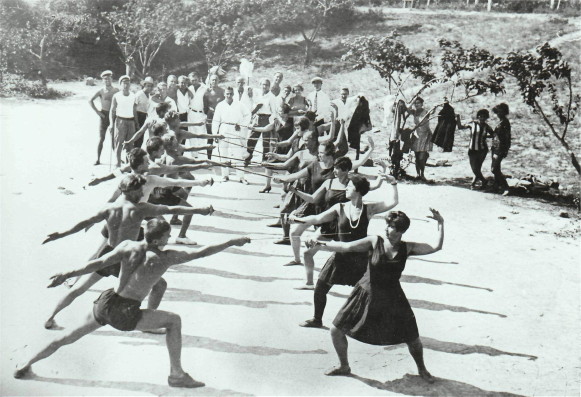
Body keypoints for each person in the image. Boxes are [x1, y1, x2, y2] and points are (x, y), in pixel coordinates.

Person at [15, 218, 251, 389]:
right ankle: (176, 374)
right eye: (167, 236)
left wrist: (67, 274)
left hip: (106, 302)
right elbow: (202, 252)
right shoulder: (164, 257)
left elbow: (96, 263)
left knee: (68, 337)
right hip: (124, 312)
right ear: (158, 238)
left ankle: (27, 363)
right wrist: (232, 241)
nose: (169, 238)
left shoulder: (127, 246)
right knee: (174, 321)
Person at [42, 174, 214, 330]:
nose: (142, 192)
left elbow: (84, 223)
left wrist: (60, 234)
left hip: (107, 252)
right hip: (125, 257)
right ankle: (149, 324)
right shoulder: (140, 209)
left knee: (80, 288)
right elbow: (172, 210)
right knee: (159, 285)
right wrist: (199, 210)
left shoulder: (109, 208)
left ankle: (50, 317)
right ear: (131, 191)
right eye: (139, 189)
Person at [307, 209, 444, 383]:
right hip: (366, 291)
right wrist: (320, 245)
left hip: (393, 296)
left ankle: (422, 369)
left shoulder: (407, 247)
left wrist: (441, 223)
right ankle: (344, 366)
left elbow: (436, 247)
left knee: (413, 338)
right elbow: (346, 246)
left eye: (392, 227)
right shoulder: (374, 241)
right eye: (387, 224)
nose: (387, 229)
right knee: (336, 330)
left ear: (401, 231)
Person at [290, 161, 394, 290]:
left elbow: (381, 190)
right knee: (308, 253)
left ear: (346, 171)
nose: (334, 171)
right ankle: (310, 282)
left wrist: (388, 176)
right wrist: (298, 220)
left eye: (337, 168)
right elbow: (316, 214)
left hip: (347, 231)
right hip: (331, 225)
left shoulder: (356, 184)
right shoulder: (330, 184)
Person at [273, 137, 374, 264]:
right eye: (318, 152)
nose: (318, 155)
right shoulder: (314, 165)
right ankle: (297, 259)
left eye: (321, 153)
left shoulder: (338, 167)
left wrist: (371, 149)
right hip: (312, 203)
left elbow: (359, 162)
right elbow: (296, 175)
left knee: (329, 237)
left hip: (328, 207)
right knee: (294, 231)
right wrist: (282, 179)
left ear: (330, 154)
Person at [213, 86, 247, 183]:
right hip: (223, 129)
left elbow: (247, 115)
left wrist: (240, 124)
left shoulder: (239, 105)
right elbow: (216, 120)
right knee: (223, 154)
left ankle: (241, 177)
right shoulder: (220, 105)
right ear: (224, 94)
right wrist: (215, 134)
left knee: (238, 154)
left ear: (233, 94)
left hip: (235, 130)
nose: (229, 95)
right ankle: (225, 175)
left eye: (231, 93)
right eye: (227, 93)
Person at [457, 109, 494, 189]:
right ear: (478, 116)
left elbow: (493, 134)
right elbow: (460, 127)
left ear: (486, 118)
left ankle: (473, 184)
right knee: (474, 168)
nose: (482, 118)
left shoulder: (487, 127)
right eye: (481, 116)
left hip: (482, 150)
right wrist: (458, 118)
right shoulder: (472, 124)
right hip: (472, 149)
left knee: (477, 168)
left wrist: (485, 137)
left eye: (484, 117)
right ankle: (484, 181)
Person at [245, 78, 278, 167]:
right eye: (263, 84)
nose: (264, 86)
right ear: (260, 85)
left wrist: (271, 123)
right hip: (257, 118)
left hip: (266, 119)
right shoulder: (258, 94)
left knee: (265, 142)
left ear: (269, 86)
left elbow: (274, 111)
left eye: (266, 85)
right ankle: (247, 158)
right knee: (251, 139)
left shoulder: (272, 97)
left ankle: (264, 160)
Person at [89, 70, 119, 165]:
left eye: (109, 78)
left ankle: (117, 159)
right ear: (102, 80)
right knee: (101, 138)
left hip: (113, 115)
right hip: (104, 115)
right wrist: (98, 112)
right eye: (105, 79)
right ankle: (98, 159)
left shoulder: (116, 90)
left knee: (114, 138)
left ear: (112, 79)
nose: (107, 80)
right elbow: (90, 101)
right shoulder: (101, 91)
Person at [108, 75, 137, 168]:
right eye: (124, 83)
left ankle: (129, 165)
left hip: (131, 121)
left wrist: (136, 123)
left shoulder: (133, 96)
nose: (126, 85)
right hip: (120, 121)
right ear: (120, 84)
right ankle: (118, 163)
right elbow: (112, 111)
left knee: (130, 144)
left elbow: (134, 110)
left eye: (128, 83)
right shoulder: (116, 96)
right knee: (119, 143)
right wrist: (111, 124)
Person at [407, 97, 433, 181]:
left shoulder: (426, 112)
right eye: (415, 103)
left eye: (418, 103)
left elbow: (434, 111)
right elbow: (407, 108)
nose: (417, 104)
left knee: (422, 156)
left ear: (422, 104)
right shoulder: (414, 112)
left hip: (425, 136)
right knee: (417, 157)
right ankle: (418, 174)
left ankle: (422, 173)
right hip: (416, 136)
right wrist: (412, 100)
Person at [490, 103, 511, 196]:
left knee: (494, 169)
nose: (498, 114)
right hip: (495, 147)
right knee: (496, 168)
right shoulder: (500, 122)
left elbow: (507, 137)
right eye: (497, 112)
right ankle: (496, 186)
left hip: (500, 148)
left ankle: (506, 187)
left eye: (499, 112)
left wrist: (505, 149)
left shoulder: (505, 123)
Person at [203, 74, 225, 159]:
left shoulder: (223, 91)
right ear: (210, 81)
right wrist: (209, 113)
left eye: (216, 80)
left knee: (222, 136)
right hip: (210, 115)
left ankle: (223, 158)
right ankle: (209, 158)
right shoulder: (207, 92)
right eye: (212, 80)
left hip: (221, 116)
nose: (214, 81)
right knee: (210, 136)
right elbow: (205, 106)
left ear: (218, 81)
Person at [134, 76, 154, 148]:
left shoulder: (149, 96)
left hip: (144, 117)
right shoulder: (139, 94)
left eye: (151, 86)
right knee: (136, 138)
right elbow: (134, 108)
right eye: (148, 86)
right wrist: (136, 122)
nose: (149, 88)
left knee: (141, 139)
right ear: (144, 85)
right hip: (138, 116)